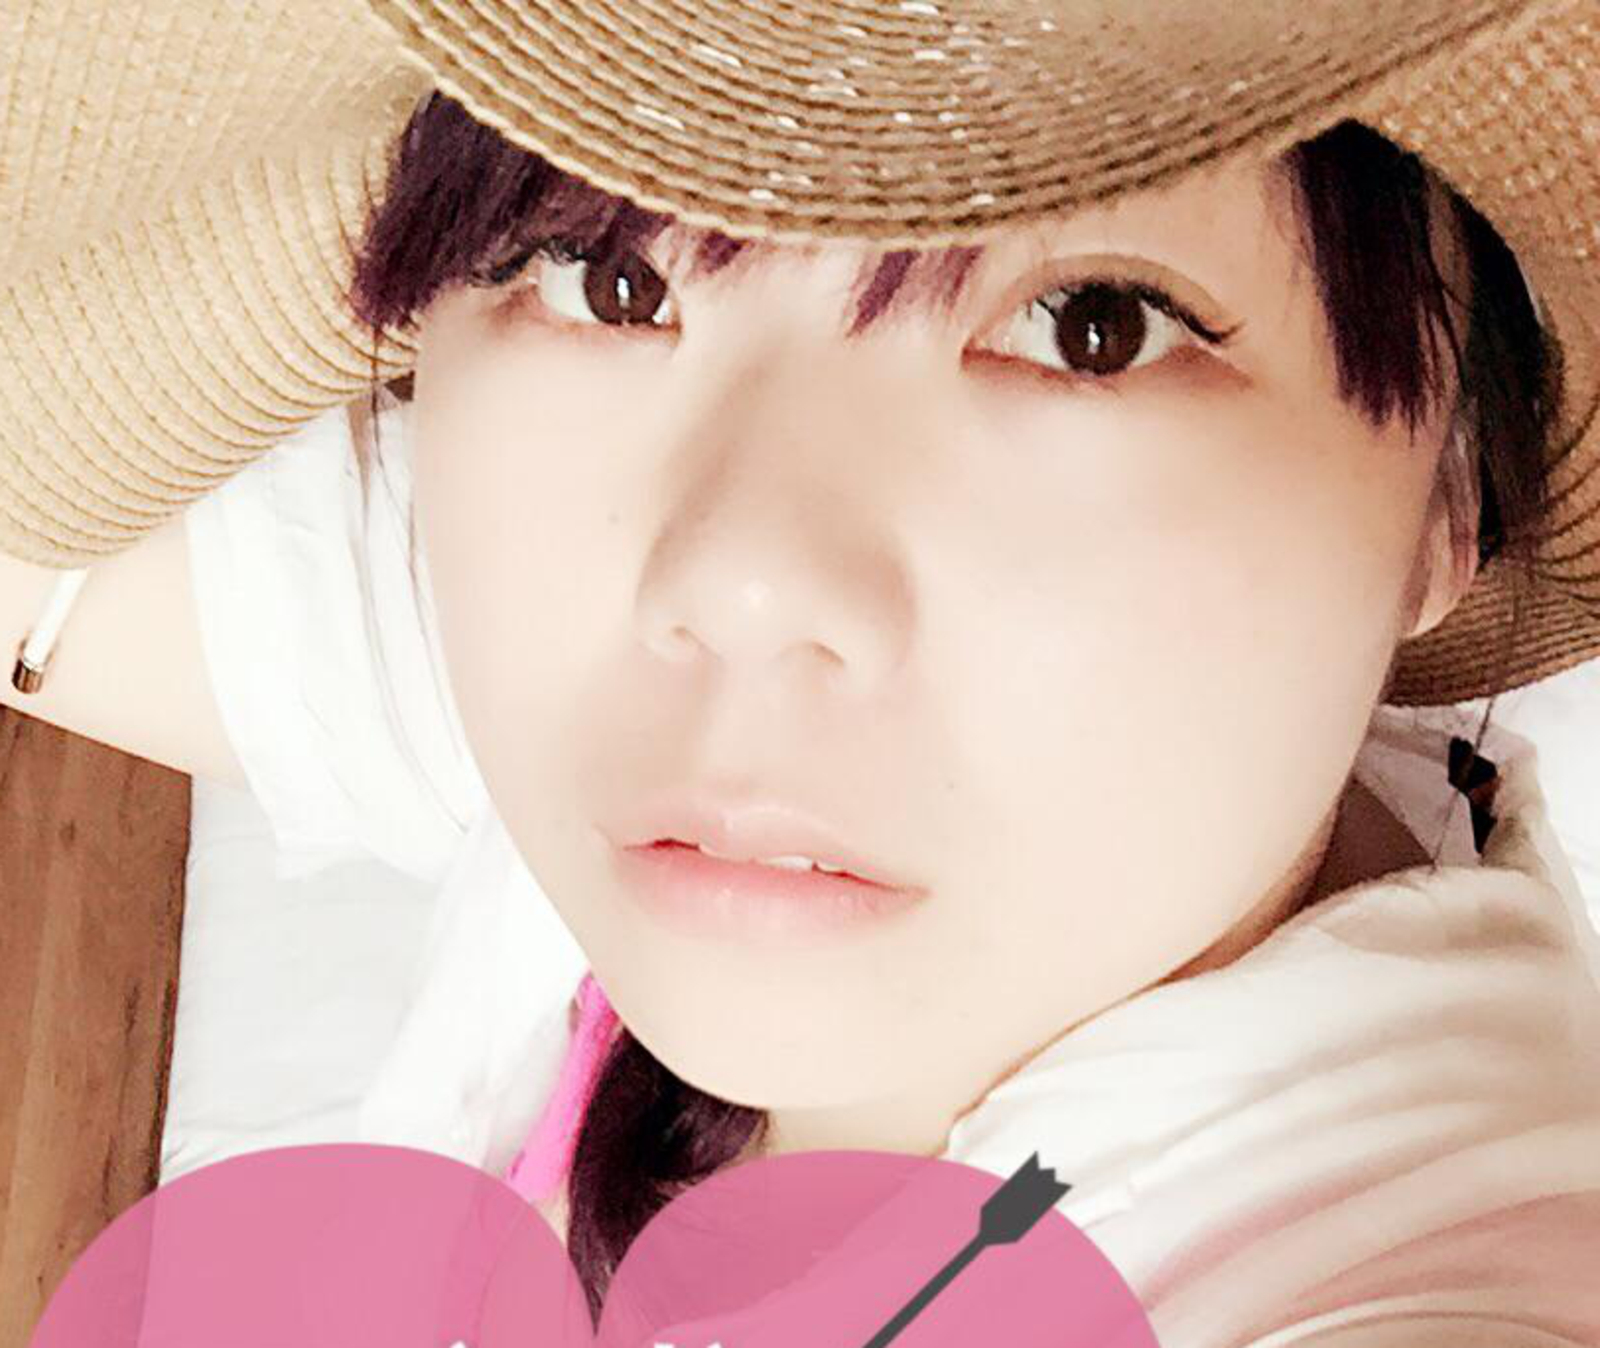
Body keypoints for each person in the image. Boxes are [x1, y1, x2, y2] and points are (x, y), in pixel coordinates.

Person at [3, 2, 1599, 1344]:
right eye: (607, 277)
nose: (738, 581)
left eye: (1090, 326)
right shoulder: (687, 728)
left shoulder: (1416, 1271)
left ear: (1452, 493)